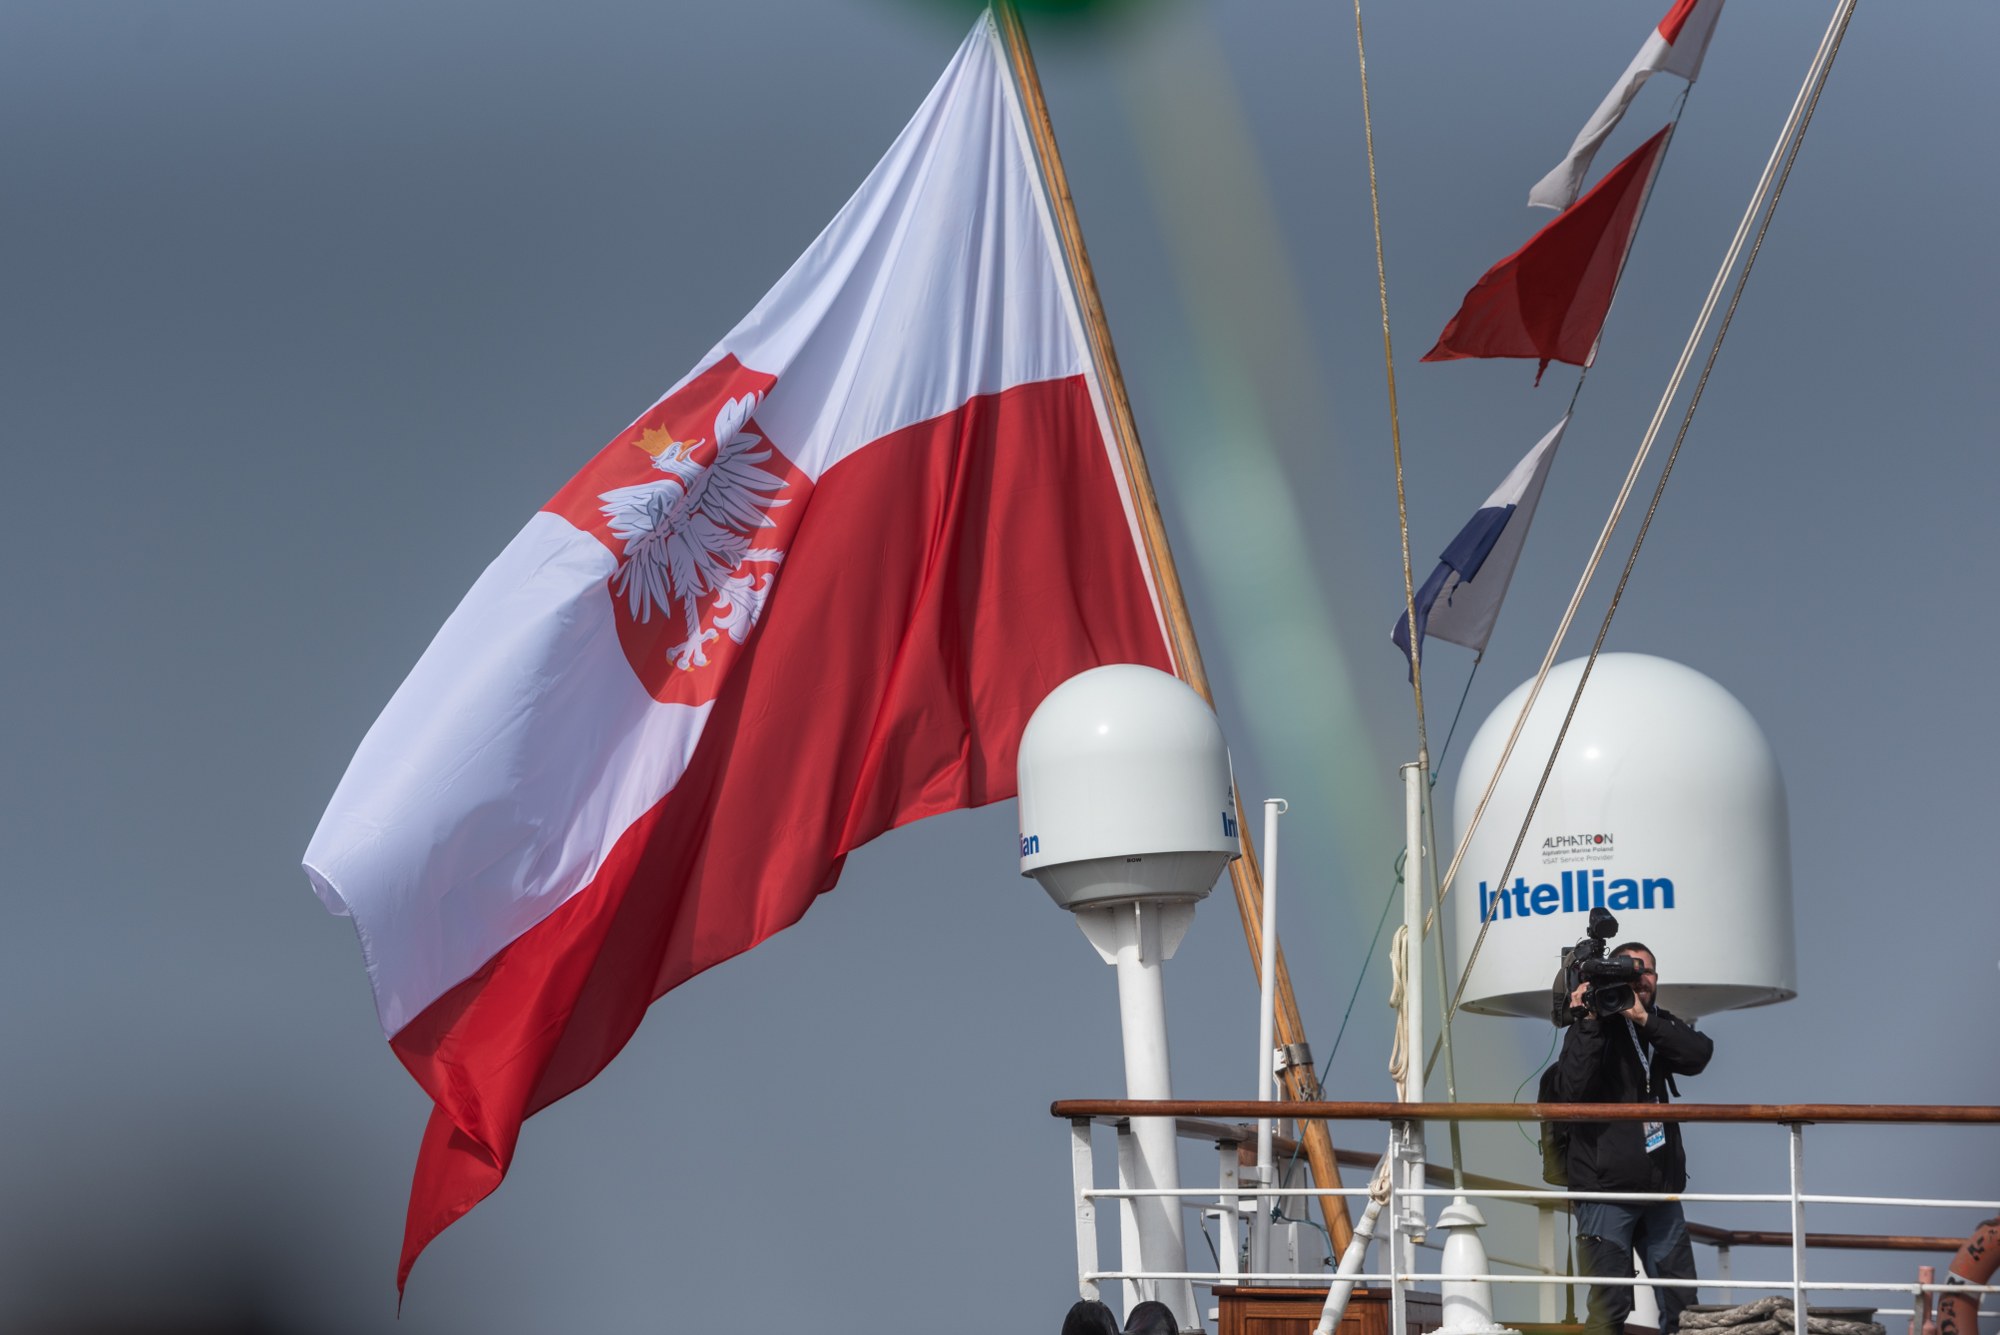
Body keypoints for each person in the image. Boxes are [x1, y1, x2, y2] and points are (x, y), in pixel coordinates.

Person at [1553, 941, 1714, 1335]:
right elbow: (1571, 1090)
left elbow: (1697, 1055)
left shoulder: (1656, 1023)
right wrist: (1590, 1020)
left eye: (1648, 971)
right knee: (1610, 1307)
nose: (1641, 978)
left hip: (1660, 1193)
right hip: (1605, 1191)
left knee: (1684, 1308)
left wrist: (1644, 1019)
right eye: (1631, 969)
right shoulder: (1591, 1025)